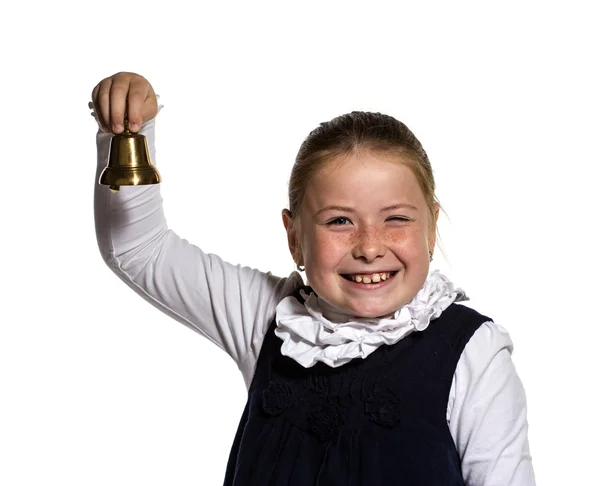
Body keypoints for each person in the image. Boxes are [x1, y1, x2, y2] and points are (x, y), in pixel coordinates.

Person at [91, 72, 536, 485]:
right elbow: (140, 249)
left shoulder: (474, 353)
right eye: (339, 221)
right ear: (295, 237)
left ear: (431, 227)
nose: (369, 246)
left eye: (396, 218)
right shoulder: (270, 319)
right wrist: (130, 133)